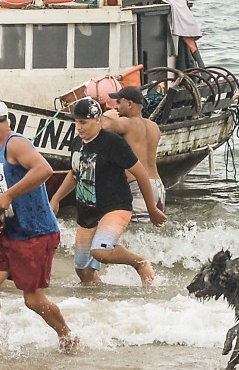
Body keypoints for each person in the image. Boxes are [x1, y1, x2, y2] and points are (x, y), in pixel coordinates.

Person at [0, 98, 78, 356]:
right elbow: (11, 187)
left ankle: (67, 336)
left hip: (36, 232)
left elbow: (44, 169)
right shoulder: (0, 149)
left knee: (33, 300)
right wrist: (1, 202)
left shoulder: (15, 143)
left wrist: (8, 194)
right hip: (11, 231)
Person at [49, 97, 165, 286]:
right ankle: (101, 303)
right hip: (88, 211)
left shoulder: (113, 143)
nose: (79, 127)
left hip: (115, 206)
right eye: (76, 122)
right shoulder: (77, 143)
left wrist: (151, 208)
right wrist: (56, 199)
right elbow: (75, 173)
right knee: (84, 272)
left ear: (97, 120)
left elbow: (141, 174)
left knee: (100, 251)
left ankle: (140, 263)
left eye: (83, 122)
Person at [102, 85, 167, 220]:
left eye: (119, 102)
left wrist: (106, 115)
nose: (116, 107)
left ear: (130, 104)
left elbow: (104, 126)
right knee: (151, 233)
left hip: (138, 187)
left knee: (134, 233)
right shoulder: (154, 126)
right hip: (158, 185)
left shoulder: (127, 123)